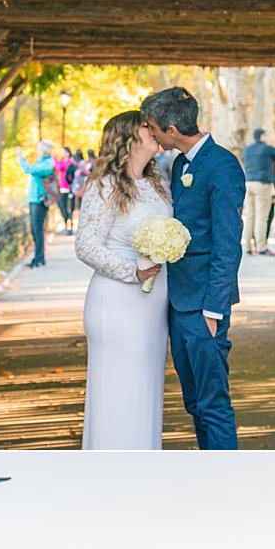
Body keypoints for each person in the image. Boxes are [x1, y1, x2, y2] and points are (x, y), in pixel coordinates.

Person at [141, 86, 246, 451]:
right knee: (194, 405)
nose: (150, 134)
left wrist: (215, 308)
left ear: (171, 129)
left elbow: (228, 244)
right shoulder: (179, 165)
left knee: (213, 404)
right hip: (178, 302)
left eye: (153, 127)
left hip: (205, 306)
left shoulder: (222, 166)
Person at [75, 111, 171, 451]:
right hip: (117, 301)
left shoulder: (158, 184)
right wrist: (133, 272)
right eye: (147, 126)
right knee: (119, 389)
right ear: (127, 138)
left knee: (146, 387)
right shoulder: (105, 187)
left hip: (153, 305)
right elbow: (85, 245)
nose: (155, 130)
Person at [241, 128, 275, 255]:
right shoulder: (267, 148)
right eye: (266, 134)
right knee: (262, 217)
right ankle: (261, 247)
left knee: (249, 216)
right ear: (261, 136)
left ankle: (248, 247)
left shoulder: (247, 150)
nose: (267, 136)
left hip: (248, 183)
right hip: (262, 185)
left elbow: (244, 163)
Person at [15, 140, 55, 268]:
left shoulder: (47, 164)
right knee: (35, 229)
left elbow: (28, 169)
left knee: (37, 229)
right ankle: (39, 258)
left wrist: (20, 157)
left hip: (39, 200)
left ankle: (38, 259)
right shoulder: (43, 162)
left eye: (39, 149)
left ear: (43, 151)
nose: (37, 151)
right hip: (34, 199)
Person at [54, 146, 74, 233]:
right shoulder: (64, 161)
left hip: (67, 188)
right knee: (63, 206)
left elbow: (59, 167)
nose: (62, 153)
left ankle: (69, 227)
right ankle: (67, 226)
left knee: (66, 206)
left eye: (63, 151)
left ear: (68, 153)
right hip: (62, 187)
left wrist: (53, 159)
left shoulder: (69, 162)